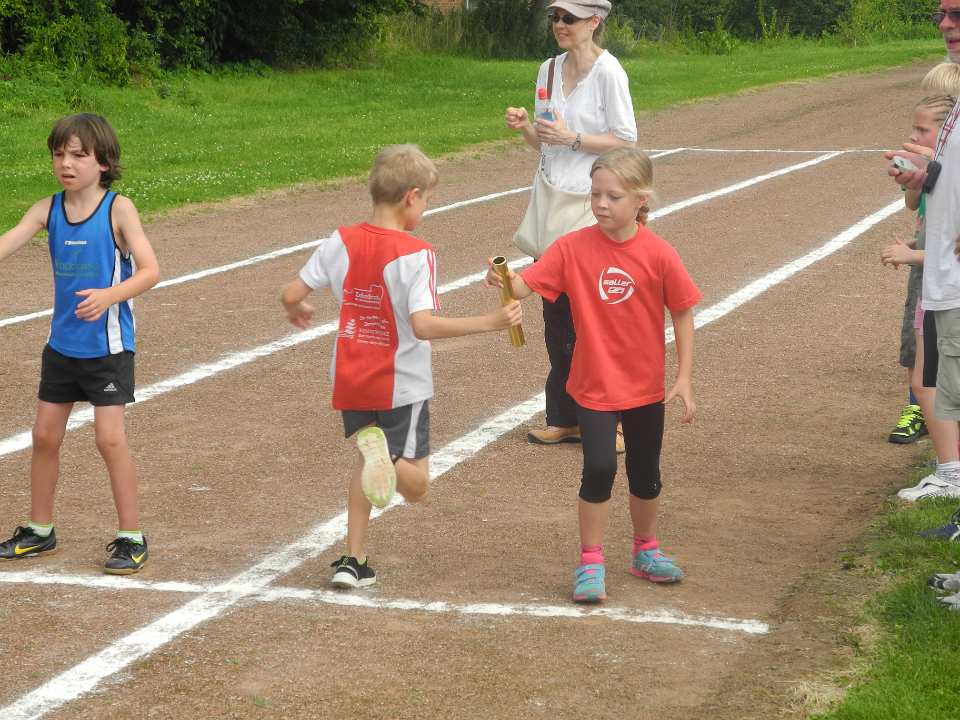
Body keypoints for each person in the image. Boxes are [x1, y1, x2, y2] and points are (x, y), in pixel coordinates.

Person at [281, 144, 522, 589]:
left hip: (350, 375)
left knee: (366, 460)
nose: (425, 208)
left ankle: (353, 559)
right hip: (400, 382)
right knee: (416, 486)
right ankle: (387, 455)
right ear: (411, 196)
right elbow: (423, 325)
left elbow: (291, 292)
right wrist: (490, 321)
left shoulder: (340, 240)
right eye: (426, 199)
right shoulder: (416, 252)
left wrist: (297, 308)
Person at [486, 147, 700, 602]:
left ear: (641, 200)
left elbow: (682, 311)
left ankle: (646, 550)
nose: (601, 204)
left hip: (644, 386)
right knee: (600, 467)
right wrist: (504, 279)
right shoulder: (572, 248)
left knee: (646, 473)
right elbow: (524, 285)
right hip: (593, 384)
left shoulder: (659, 253)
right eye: (595, 194)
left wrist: (683, 376)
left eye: (613, 196)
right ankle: (590, 562)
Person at [0, 113, 160, 574]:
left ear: (103, 162)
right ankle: (39, 529)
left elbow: (151, 270)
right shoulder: (47, 209)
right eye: (58, 154)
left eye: (78, 155)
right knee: (44, 436)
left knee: (109, 439)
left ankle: (131, 536)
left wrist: (111, 295)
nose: (65, 164)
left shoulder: (118, 210)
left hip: (108, 349)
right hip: (62, 347)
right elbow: (8, 242)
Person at [504, 0, 636, 452]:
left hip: (590, 203)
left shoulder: (609, 73)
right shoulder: (547, 70)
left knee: (594, 317)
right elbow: (546, 144)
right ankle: (565, 417)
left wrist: (573, 138)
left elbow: (625, 140)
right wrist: (527, 127)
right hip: (551, 200)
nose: (559, 25)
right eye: (555, 17)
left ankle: (612, 419)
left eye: (569, 18)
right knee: (557, 316)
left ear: (594, 21)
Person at [883, 95, 960, 500]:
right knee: (926, 378)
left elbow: (950, 244)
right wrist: (921, 174)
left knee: (933, 381)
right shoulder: (944, 162)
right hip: (936, 285)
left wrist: (914, 255)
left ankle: (951, 472)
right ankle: (949, 471)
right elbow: (926, 210)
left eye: (922, 130)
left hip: (946, 285)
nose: (912, 136)